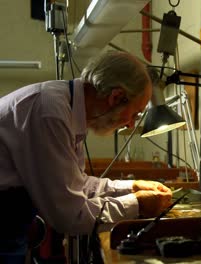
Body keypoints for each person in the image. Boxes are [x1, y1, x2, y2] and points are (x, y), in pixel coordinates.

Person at [0, 50, 173, 262]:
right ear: (116, 97)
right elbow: (69, 216)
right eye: (135, 113)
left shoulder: (68, 107)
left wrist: (131, 187)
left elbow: (76, 183)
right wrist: (137, 204)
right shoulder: (51, 113)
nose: (130, 124)